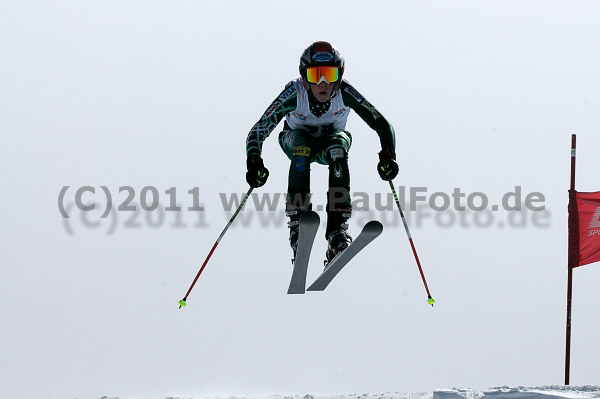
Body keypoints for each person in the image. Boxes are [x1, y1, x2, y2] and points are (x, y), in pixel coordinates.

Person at [245, 41, 398, 263]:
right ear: (304, 77)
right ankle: (298, 221)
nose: (324, 83)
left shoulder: (345, 92)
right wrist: (255, 161)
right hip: (296, 140)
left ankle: (337, 231)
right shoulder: (294, 93)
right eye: (316, 75)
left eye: (330, 74)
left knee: (338, 148)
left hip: (329, 143)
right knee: (303, 146)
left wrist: (388, 156)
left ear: (340, 75)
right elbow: (260, 128)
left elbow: (381, 123)